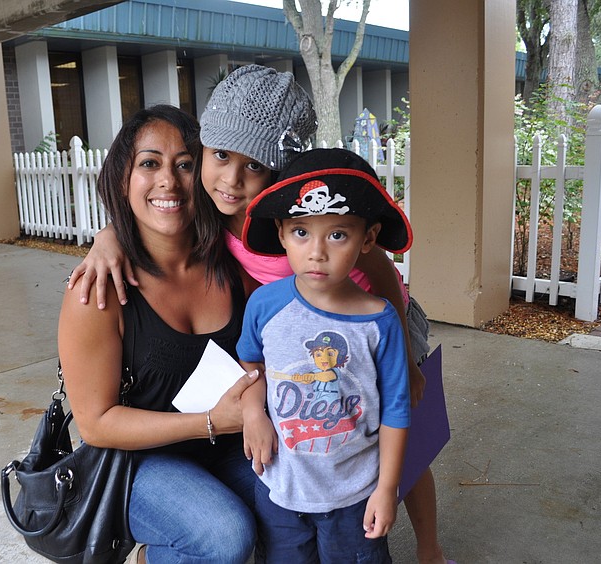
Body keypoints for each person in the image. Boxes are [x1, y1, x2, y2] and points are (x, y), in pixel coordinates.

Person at [69, 65, 451, 564]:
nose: (230, 178)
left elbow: (377, 266)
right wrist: (108, 237)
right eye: (220, 156)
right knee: (278, 485)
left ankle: (429, 549)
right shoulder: (199, 224)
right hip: (281, 349)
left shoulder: (280, 214)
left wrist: (401, 341)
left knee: (394, 435)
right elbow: (152, 218)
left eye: (252, 165)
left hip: (375, 320)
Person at [57, 104, 263, 564]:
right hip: (138, 464)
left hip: (230, 443)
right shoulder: (97, 290)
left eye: (185, 165)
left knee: (301, 493)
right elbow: (95, 423)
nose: (168, 181)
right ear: (123, 179)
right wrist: (211, 421)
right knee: (224, 535)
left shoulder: (234, 268)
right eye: (149, 164)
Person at [236, 147, 411, 562]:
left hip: (353, 494)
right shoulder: (264, 305)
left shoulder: (380, 322)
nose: (317, 251)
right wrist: (252, 412)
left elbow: (396, 411)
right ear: (280, 233)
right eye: (301, 232)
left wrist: (387, 489)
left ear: (368, 238)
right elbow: (251, 363)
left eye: (337, 234)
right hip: (281, 489)